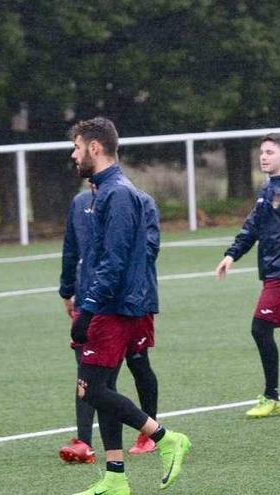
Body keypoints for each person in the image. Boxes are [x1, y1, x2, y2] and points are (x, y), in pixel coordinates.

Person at [68, 117, 189, 494]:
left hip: (112, 308)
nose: (73, 155)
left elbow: (114, 260)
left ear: (94, 148)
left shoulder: (117, 193)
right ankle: (115, 477)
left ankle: (166, 438)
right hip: (112, 304)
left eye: (76, 147)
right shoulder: (105, 191)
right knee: (102, 385)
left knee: (91, 389)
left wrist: (87, 310)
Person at [215, 133, 280, 417]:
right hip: (272, 271)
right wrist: (231, 255)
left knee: (259, 328)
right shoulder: (266, 188)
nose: (263, 156)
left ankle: (270, 395)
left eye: (269, 152)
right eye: (262, 152)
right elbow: (252, 227)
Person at [58, 187, 161, 464]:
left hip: (130, 301)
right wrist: (68, 290)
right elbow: (72, 249)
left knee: (138, 363)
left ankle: (152, 434)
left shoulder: (139, 200)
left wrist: (122, 284)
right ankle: (85, 442)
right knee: (92, 375)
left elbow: (147, 249)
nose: (75, 156)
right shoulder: (79, 202)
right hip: (93, 301)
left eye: (79, 148)